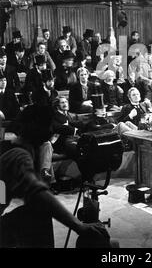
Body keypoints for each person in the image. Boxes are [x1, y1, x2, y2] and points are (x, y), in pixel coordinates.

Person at [0, 105, 111, 248]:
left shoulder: (16, 151)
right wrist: (79, 226)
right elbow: (38, 194)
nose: (51, 130)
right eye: (48, 125)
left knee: (34, 211)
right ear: (36, 127)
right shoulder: (19, 155)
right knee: (40, 212)